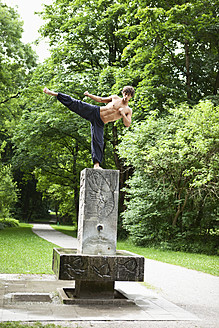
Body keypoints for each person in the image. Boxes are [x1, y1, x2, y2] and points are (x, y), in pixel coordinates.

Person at [43, 86, 135, 169]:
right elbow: (100, 99)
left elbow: (127, 124)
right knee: (76, 103)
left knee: (99, 142)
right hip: (95, 111)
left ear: (131, 96)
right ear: (123, 93)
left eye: (129, 95)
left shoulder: (128, 110)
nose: (126, 96)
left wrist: (123, 114)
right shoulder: (115, 98)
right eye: (125, 94)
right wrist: (89, 95)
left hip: (100, 122)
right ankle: (53, 93)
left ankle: (96, 165)